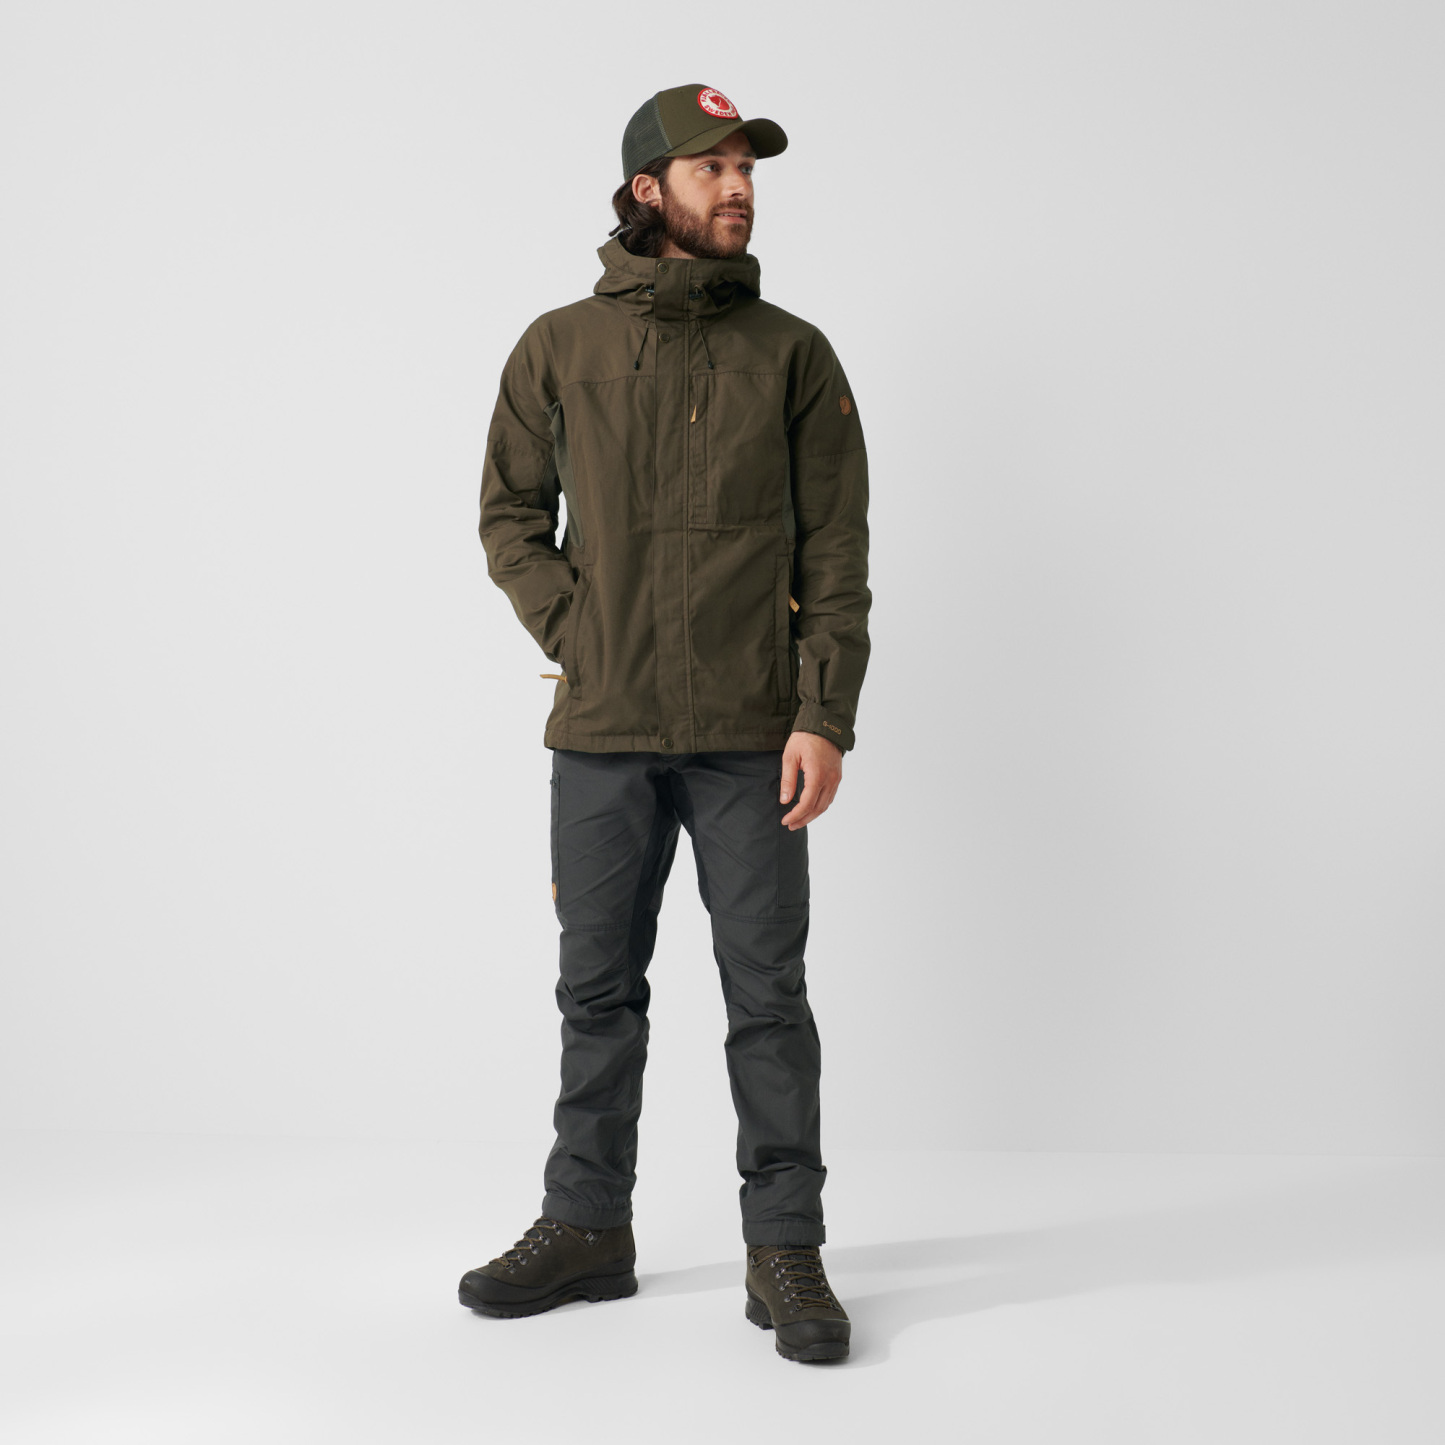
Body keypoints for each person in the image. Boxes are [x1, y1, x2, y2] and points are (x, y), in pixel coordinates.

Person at [458, 84, 872, 1365]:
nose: (737, 187)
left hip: (753, 729)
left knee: (767, 997)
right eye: (711, 168)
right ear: (648, 188)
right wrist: (581, 633)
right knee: (596, 991)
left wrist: (823, 713)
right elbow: (509, 517)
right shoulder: (557, 346)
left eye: (746, 168)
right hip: (603, 729)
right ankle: (587, 1223)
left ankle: (783, 1245)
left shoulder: (793, 354)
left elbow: (836, 548)